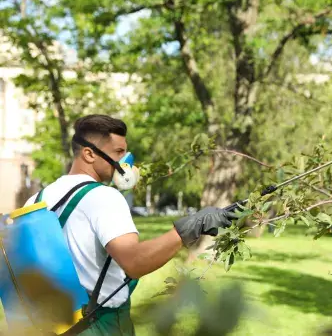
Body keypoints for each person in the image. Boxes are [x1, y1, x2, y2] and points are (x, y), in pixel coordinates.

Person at [24, 114, 233, 335]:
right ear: (89, 154)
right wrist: (190, 227)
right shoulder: (104, 197)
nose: (126, 161)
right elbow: (134, 262)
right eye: (118, 152)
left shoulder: (37, 199)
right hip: (98, 325)